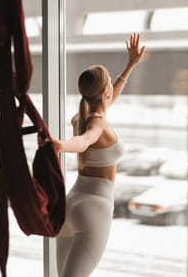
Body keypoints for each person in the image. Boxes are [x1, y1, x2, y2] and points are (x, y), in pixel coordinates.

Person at [38, 33, 146, 277]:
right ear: (105, 90)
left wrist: (130, 65)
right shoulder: (97, 125)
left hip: (71, 204)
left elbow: (108, 101)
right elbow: (83, 141)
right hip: (94, 209)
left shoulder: (81, 117)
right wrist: (61, 146)